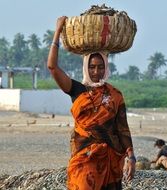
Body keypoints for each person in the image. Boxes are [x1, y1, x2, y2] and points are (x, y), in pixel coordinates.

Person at [47, 16, 136, 190]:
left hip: (110, 160)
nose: (96, 72)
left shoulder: (115, 95)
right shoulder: (77, 90)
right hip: (84, 160)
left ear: (106, 67)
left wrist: (131, 156)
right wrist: (57, 32)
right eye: (92, 67)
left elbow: (122, 129)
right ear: (86, 67)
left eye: (101, 67)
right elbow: (52, 67)